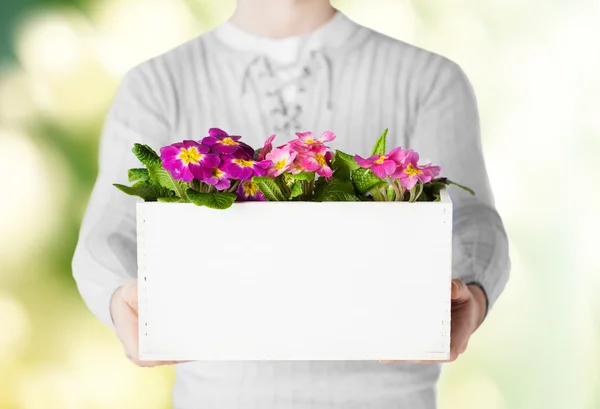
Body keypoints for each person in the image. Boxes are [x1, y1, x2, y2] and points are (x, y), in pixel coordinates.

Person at [72, 0, 511, 407]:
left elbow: (472, 221)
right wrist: (119, 297)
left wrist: (470, 292)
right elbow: (109, 232)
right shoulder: (155, 85)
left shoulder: (428, 79)